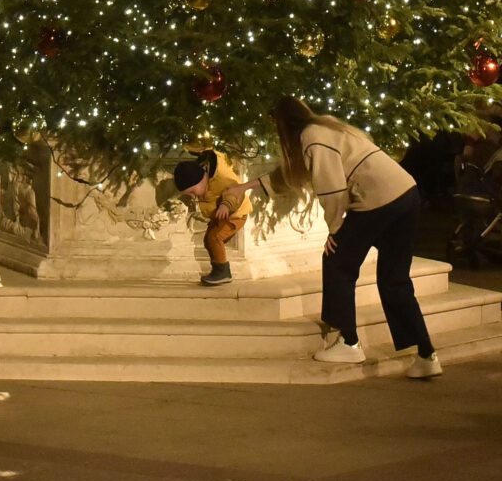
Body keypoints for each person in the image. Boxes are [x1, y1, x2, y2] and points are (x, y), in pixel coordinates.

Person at [271, 97, 437, 378]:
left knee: (337, 261)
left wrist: (335, 229)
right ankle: (427, 355)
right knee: (395, 279)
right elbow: (291, 176)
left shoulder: (312, 137)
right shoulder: (329, 127)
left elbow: (333, 190)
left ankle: (348, 342)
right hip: (406, 193)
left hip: (377, 198)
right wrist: (248, 186)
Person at [174, 149, 255, 285]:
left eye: (192, 191)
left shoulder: (221, 178)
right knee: (209, 239)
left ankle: (223, 272)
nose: (193, 196)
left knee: (214, 237)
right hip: (221, 215)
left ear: (201, 179)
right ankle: (218, 269)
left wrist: (226, 204)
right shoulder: (204, 181)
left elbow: (235, 191)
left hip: (236, 213)